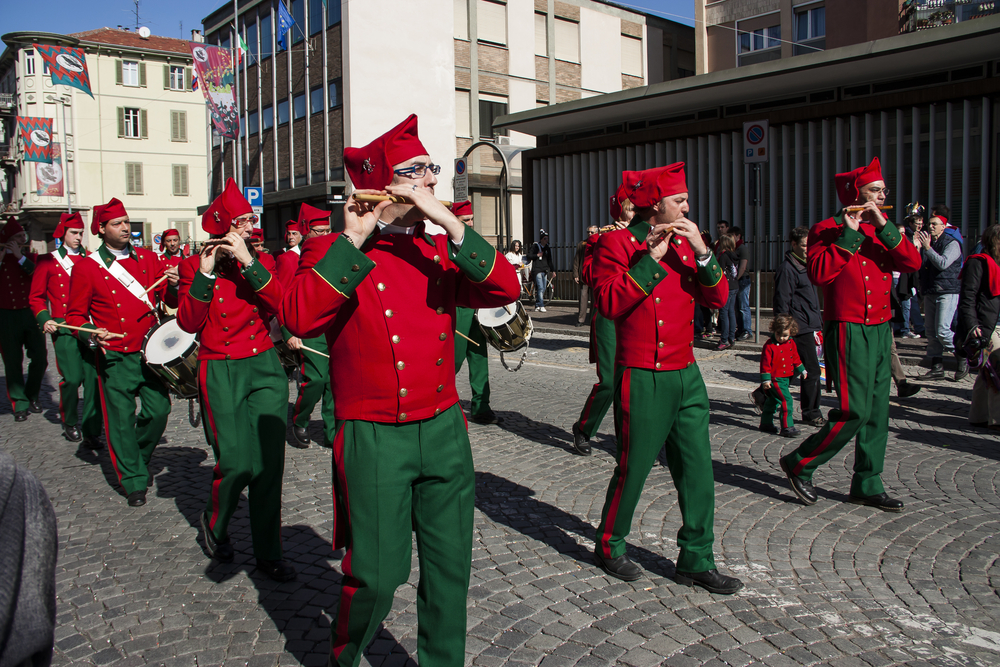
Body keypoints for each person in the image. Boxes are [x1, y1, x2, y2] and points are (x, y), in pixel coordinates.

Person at [281, 114, 520, 667]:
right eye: (418, 172)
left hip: (442, 431)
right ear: (383, 186)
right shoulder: (338, 251)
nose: (433, 179)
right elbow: (296, 314)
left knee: (447, 569)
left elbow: (504, 287)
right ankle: (345, 654)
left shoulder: (439, 251)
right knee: (377, 576)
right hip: (374, 435)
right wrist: (354, 236)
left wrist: (456, 228)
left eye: (432, 168)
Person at [591, 161, 742, 595]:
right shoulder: (617, 244)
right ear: (656, 204)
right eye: (680, 199)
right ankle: (609, 543)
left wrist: (703, 252)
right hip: (641, 373)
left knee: (698, 471)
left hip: (686, 373)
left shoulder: (687, 242)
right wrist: (650, 260)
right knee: (633, 468)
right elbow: (607, 303)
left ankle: (696, 558)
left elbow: (718, 297)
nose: (688, 206)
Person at [778, 157, 921, 513]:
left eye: (883, 191)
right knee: (854, 410)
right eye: (875, 190)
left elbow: (912, 263)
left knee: (877, 411)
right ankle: (800, 462)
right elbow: (820, 275)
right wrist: (850, 235)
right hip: (847, 327)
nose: (881, 196)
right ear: (854, 195)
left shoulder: (884, 229)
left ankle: (867, 483)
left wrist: (884, 225)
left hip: (880, 328)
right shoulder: (826, 229)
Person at [176, 179, 294, 581]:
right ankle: (216, 520)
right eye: (242, 222)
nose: (250, 228)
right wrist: (205, 275)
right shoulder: (194, 265)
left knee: (269, 465)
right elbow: (188, 322)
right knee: (237, 463)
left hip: (263, 366)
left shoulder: (261, 260)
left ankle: (268, 550)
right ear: (223, 226)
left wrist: (248, 260)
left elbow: (282, 304)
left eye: (250, 221)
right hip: (220, 367)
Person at [66, 198, 178, 506]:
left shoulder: (147, 259)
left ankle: (134, 457)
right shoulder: (88, 268)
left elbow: (165, 297)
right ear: (101, 229)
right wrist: (91, 337)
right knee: (119, 420)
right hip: (114, 354)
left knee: (159, 411)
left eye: (127, 222)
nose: (126, 227)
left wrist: (174, 285)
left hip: (149, 353)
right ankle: (133, 479)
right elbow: (74, 316)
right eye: (117, 223)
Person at [571, 173, 637, 457]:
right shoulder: (602, 237)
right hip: (609, 315)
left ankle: (628, 439)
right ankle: (584, 428)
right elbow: (587, 274)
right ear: (622, 209)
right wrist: (596, 245)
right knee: (610, 381)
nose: (637, 212)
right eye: (632, 208)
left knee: (633, 383)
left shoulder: (645, 237)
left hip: (635, 314)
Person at [29, 212, 102, 446]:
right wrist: (44, 318)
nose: (78, 237)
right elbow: (36, 297)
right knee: (72, 378)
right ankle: (70, 421)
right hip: (63, 327)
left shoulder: (91, 259)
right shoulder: (47, 261)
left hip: (88, 325)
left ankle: (91, 429)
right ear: (62, 234)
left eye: (81, 233)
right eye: (74, 233)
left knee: (92, 378)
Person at [277, 203, 335, 449]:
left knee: (336, 381)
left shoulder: (335, 249)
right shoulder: (290, 260)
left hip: (334, 324)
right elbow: (280, 297)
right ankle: (300, 418)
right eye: (318, 231)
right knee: (317, 379)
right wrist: (288, 332)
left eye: (327, 230)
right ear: (305, 231)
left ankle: (333, 430)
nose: (324, 235)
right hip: (308, 326)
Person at [451, 200, 499, 425]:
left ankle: (481, 406)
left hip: (478, 309)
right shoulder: (447, 246)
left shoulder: (479, 243)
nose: (470, 224)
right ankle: (441, 402)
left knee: (479, 357)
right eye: (464, 220)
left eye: (471, 219)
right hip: (459, 308)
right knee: (455, 359)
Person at [772, 226, 826, 426]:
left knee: (794, 369)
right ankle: (811, 412)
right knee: (812, 371)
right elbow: (781, 301)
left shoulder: (808, 264)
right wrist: (783, 329)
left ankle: (763, 393)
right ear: (793, 244)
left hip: (811, 324)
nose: (807, 248)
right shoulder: (788, 269)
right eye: (804, 245)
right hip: (798, 327)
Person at [0, 219, 47, 422]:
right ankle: (19, 403)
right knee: (12, 361)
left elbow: (37, 275)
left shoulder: (30, 257)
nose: (23, 238)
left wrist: (20, 257)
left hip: (30, 313)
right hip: (6, 314)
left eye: (23, 236)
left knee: (40, 358)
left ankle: (32, 395)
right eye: (19, 236)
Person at [957, 225, 1000, 429]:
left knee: (987, 373)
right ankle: (996, 419)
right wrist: (972, 324)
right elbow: (967, 297)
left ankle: (979, 416)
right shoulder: (978, 263)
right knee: (996, 372)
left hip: (995, 322)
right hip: (987, 324)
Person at [918, 213, 963, 380]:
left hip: (947, 290)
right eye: (929, 224)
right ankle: (937, 367)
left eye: (935, 224)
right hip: (931, 291)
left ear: (943, 226)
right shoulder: (929, 243)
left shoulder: (952, 243)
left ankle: (963, 354)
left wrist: (927, 249)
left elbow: (943, 263)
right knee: (931, 332)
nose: (931, 227)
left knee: (943, 330)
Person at [759, 314, 806, 437]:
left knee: (773, 401)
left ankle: (766, 423)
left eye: (785, 335)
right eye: (779, 335)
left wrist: (802, 370)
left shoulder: (791, 343)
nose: (782, 338)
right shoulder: (769, 345)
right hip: (775, 379)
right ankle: (787, 426)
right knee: (787, 400)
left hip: (785, 378)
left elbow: (795, 357)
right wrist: (766, 379)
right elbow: (765, 363)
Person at [716, 233, 739, 350]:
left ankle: (724, 339)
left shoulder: (724, 256)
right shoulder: (734, 255)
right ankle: (731, 337)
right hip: (735, 285)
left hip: (727, 287)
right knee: (731, 312)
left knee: (724, 313)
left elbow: (719, 272)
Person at [573, 226, 598, 326]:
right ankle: (581, 320)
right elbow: (576, 260)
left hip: (595, 275)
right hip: (584, 275)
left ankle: (592, 319)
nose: (590, 234)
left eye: (592, 232)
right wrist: (575, 274)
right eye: (588, 232)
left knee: (594, 299)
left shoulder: (599, 243)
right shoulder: (582, 244)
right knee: (583, 298)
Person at [731, 226, 753, 341]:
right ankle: (740, 329)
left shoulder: (742, 249)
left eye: (732, 236)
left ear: (738, 236)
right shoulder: (732, 248)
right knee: (737, 306)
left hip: (743, 279)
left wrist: (736, 278)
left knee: (743, 306)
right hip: (736, 280)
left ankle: (747, 330)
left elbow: (743, 266)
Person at [529, 231, 555, 312]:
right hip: (537, 270)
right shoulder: (535, 246)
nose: (546, 240)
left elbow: (550, 260)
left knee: (543, 288)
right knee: (540, 287)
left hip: (545, 270)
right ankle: (541, 305)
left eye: (547, 238)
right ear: (541, 239)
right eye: (545, 238)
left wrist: (553, 270)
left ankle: (537, 305)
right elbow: (529, 255)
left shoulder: (547, 248)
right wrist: (537, 255)